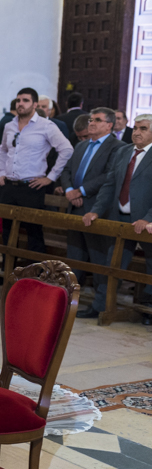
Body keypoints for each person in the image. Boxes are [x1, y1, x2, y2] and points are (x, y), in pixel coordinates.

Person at [0, 87, 73, 286]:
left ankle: (37, 278)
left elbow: (67, 149)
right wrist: (1, 172)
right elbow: (2, 150)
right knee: (7, 232)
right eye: (18, 100)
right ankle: (7, 274)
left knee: (34, 232)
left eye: (25, 100)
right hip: (10, 185)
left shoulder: (46, 126)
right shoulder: (9, 125)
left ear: (35, 104)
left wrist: (50, 177)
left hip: (32, 187)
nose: (21, 104)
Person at [84, 113, 152, 325]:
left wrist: (148, 218)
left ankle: (148, 311)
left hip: (146, 222)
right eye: (136, 128)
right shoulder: (123, 151)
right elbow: (110, 184)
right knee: (112, 264)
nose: (137, 133)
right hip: (120, 218)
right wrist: (96, 210)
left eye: (143, 129)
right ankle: (101, 306)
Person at [60, 107, 123, 317]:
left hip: (97, 209)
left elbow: (108, 176)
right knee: (74, 257)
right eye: (90, 120)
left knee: (98, 259)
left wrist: (82, 191)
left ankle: (99, 305)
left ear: (109, 125)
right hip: (75, 206)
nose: (92, 123)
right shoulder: (81, 145)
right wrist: (70, 191)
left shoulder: (117, 147)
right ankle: (67, 299)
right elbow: (67, 170)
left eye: (97, 120)